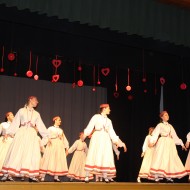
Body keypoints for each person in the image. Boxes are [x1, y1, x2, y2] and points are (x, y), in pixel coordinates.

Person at [1, 96, 49, 182]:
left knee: (32, 154)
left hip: (31, 134)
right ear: (30, 100)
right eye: (36, 100)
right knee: (16, 152)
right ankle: (7, 174)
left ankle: (32, 175)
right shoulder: (21, 110)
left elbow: (41, 125)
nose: (37, 102)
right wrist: (8, 132)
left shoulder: (36, 114)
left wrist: (46, 136)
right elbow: (15, 122)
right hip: (22, 133)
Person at [83, 103, 125, 183]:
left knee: (105, 155)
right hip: (97, 137)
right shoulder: (96, 117)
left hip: (106, 139)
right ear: (104, 108)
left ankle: (105, 176)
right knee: (93, 154)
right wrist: (84, 135)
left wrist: (120, 143)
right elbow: (90, 127)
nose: (110, 110)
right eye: (108, 108)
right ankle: (87, 176)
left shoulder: (109, 121)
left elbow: (112, 133)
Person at [149, 111, 187, 182]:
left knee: (170, 158)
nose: (167, 116)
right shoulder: (160, 125)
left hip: (170, 143)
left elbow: (175, 136)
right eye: (166, 115)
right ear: (162, 117)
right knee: (160, 158)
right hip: (163, 142)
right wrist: (152, 142)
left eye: (168, 115)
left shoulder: (170, 126)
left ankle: (169, 176)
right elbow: (155, 134)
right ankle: (157, 176)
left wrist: (181, 144)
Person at [40, 116, 69, 182]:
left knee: (57, 160)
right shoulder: (50, 128)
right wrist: (47, 140)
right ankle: (42, 176)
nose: (60, 121)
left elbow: (64, 138)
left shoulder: (61, 130)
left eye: (60, 120)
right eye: (59, 120)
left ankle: (56, 177)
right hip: (52, 144)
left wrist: (66, 146)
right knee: (48, 159)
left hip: (59, 145)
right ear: (55, 120)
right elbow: (46, 135)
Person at [0, 112, 14, 177]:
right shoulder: (3, 124)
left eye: (13, 115)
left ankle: (9, 175)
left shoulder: (15, 126)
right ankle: (2, 173)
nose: (13, 116)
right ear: (7, 117)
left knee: (11, 158)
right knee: (3, 156)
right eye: (11, 115)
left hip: (12, 142)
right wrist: (4, 135)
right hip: (5, 141)